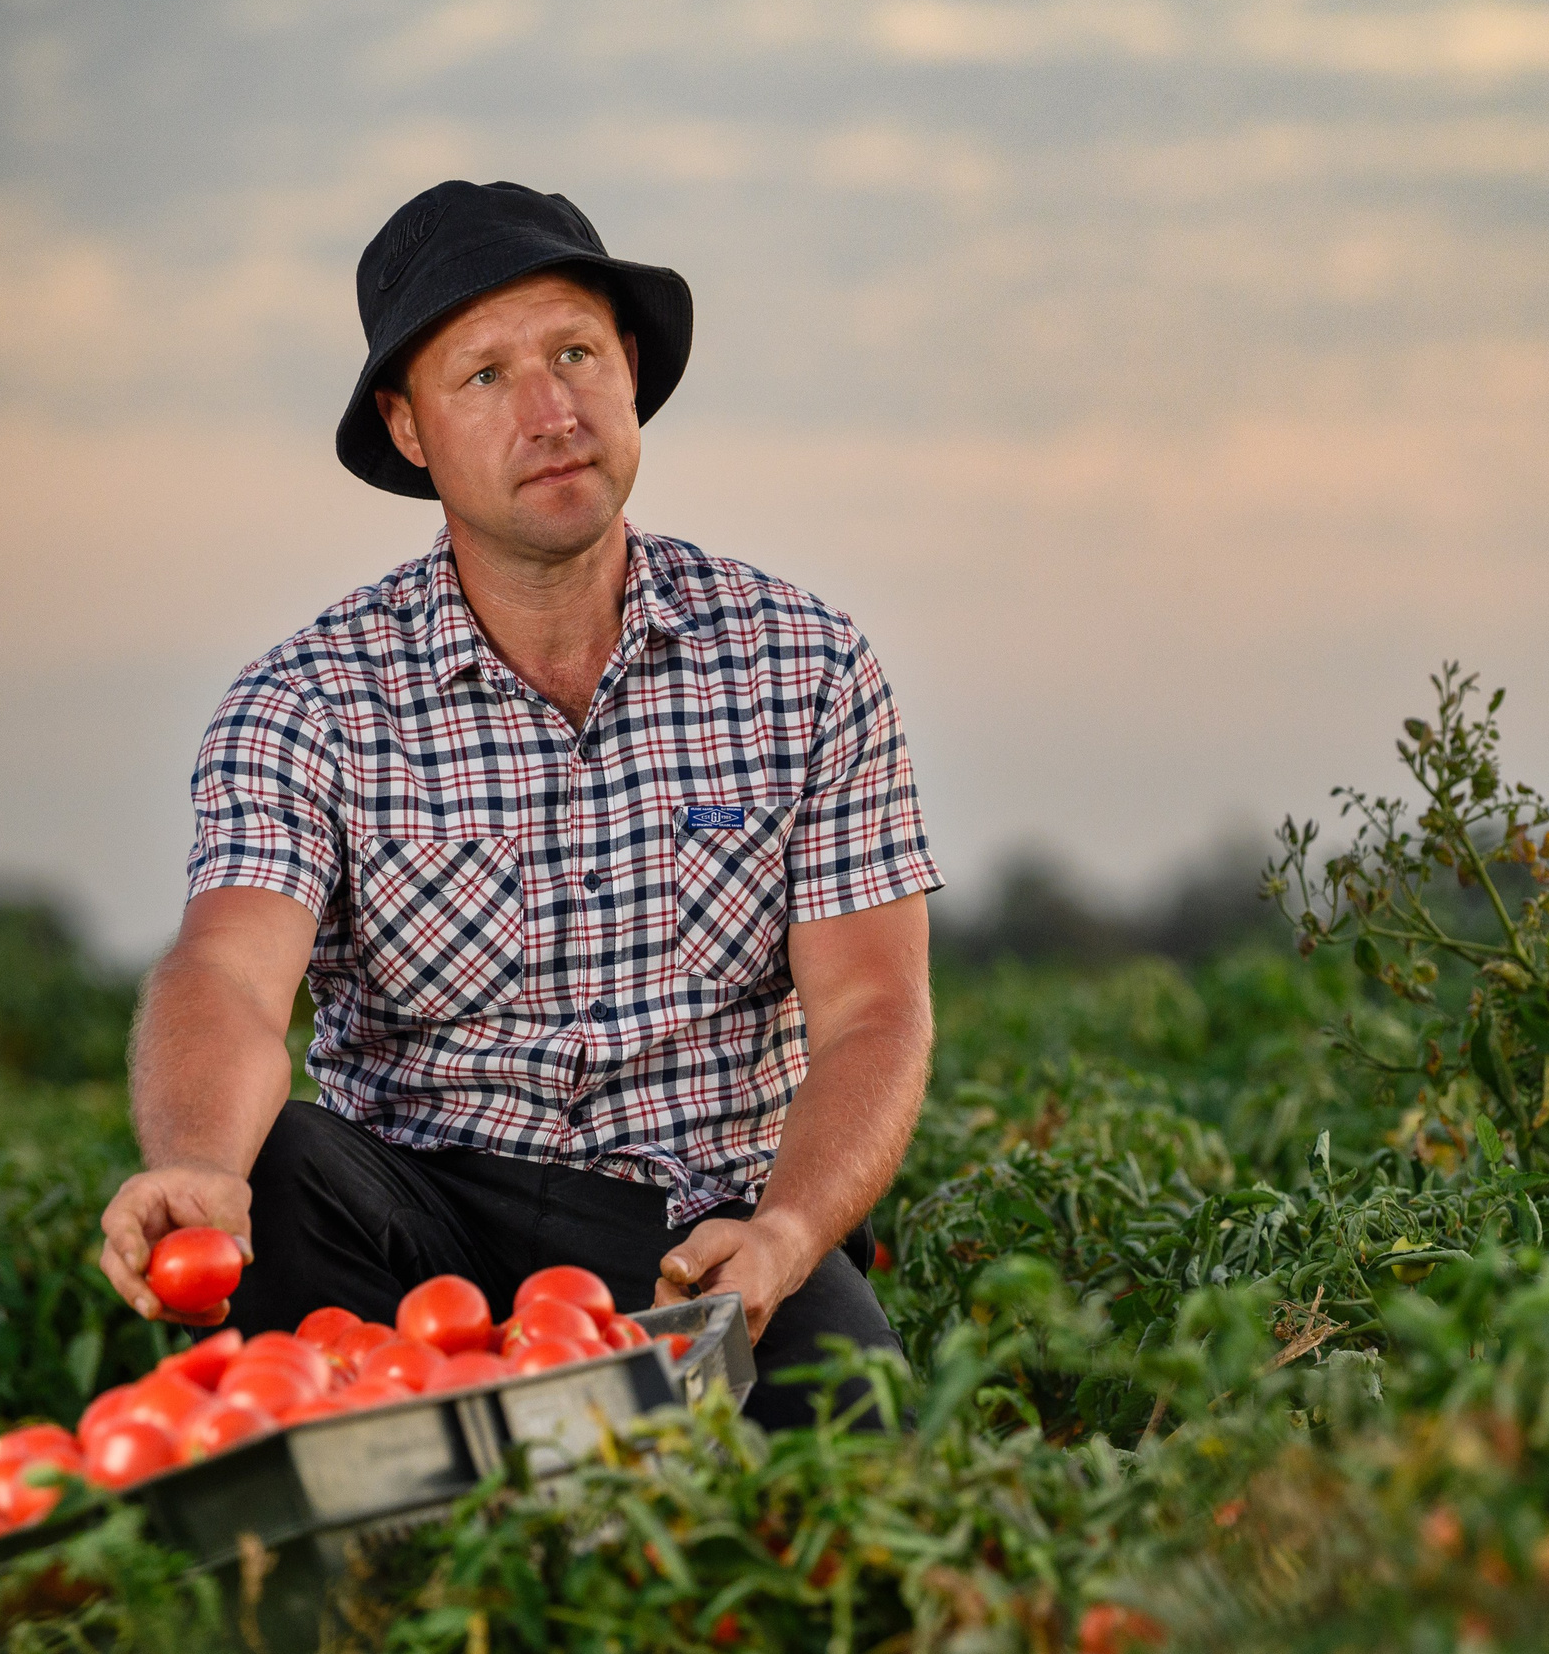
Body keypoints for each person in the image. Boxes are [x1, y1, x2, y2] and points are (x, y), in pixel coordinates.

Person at [94, 180, 940, 1430]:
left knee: (855, 1440)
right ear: (410, 426)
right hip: (416, 1230)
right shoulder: (309, 698)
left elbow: (873, 1009)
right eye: (485, 375)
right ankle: (361, 1476)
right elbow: (227, 969)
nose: (550, 412)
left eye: (574, 354)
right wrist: (197, 1165)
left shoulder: (801, 662)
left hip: (698, 1240)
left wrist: (787, 1229)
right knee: (281, 1168)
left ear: (629, 367)